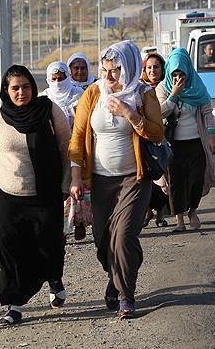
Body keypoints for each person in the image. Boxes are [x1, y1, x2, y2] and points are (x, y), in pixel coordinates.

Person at [0, 65, 73, 326]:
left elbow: (66, 148)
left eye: (25, 87)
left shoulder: (49, 111)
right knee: (8, 250)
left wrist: (66, 183)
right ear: (6, 90)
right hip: (7, 195)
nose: (21, 92)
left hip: (44, 193)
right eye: (15, 88)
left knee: (48, 247)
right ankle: (12, 305)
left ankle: (54, 278)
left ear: (33, 88)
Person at [68, 40, 164, 319]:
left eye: (115, 70)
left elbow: (157, 134)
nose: (109, 76)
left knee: (123, 236)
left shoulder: (143, 94)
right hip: (100, 181)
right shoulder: (93, 93)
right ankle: (118, 273)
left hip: (134, 179)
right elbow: (78, 136)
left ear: (129, 68)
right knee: (103, 241)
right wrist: (76, 177)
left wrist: (129, 114)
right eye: (105, 70)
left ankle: (125, 296)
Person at [155, 48, 215, 233]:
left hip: (196, 143)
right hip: (173, 145)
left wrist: (212, 136)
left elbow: (207, 113)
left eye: (181, 74)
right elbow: (160, 112)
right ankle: (179, 220)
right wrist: (174, 94)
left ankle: (193, 211)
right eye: (174, 74)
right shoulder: (163, 88)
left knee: (195, 180)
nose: (178, 78)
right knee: (176, 182)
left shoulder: (197, 87)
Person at [140, 52, 170, 228]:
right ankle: (147, 211)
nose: (152, 71)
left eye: (156, 67)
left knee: (164, 177)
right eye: (149, 67)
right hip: (147, 138)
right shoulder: (140, 88)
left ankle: (161, 213)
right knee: (148, 177)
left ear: (163, 68)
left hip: (167, 137)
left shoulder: (168, 85)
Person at [41, 61, 84, 126]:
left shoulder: (78, 93)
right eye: (54, 79)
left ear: (67, 77)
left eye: (60, 79)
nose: (57, 83)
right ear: (49, 80)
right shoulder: (45, 96)